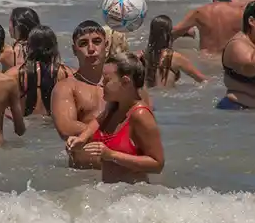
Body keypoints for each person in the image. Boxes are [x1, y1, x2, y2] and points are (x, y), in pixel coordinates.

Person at [67, 53, 164, 184]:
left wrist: (111, 155)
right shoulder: (114, 107)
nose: (101, 84)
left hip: (135, 198)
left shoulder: (140, 115)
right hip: (113, 196)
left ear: (125, 82)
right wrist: (81, 139)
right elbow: (97, 122)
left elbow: (157, 164)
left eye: (106, 80)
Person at [51, 20, 110, 169]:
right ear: (74, 50)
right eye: (83, 43)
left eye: (97, 41)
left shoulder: (123, 83)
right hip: (85, 179)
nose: (91, 48)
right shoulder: (66, 87)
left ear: (106, 46)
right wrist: (113, 137)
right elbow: (65, 128)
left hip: (123, 178)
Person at [5, 25, 73, 117]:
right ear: (54, 47)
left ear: (28, 47)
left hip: (26, 126)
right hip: (53, 127)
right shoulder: (67, 73)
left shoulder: (13, 74)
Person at [171, 0, 246, 55]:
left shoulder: (199, 13)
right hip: (230, 61)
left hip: (206, 61)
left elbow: (175, 32)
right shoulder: (241, 13)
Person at [142, 15, 207, 88]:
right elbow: (202, 79)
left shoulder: (142, 56)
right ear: (168, 33)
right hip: (168, 97)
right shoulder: (174, 57)